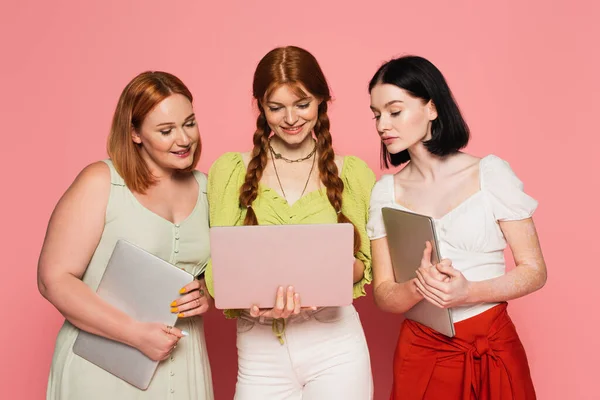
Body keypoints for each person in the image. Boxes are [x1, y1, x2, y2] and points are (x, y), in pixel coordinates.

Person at [366, 55, 547, 399]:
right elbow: (384, 294)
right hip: (422, 350)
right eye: (376, 114)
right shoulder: (385, 192)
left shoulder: (490, 174)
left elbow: (535, 270)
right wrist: (419, 287)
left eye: (394, 111)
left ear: (432, 108)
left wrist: (469, 292)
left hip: (492, 344)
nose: (381, 125)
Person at [205, 46, 375, 399]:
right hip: (259, 350)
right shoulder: (230, 170)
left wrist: (333, 272)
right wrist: (252, 299)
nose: (291, 118)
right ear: (260, 107)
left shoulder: (354, 173)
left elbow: (367, 266)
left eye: (302, 104)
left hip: (336, 346)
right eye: (275, 107)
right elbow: (217, 270)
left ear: (321, 102)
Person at [38, 71, 214, 399]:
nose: (184, 139)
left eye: (189, 123)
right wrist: (134, 334)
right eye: (166, 130)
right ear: (134, 133)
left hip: (184, 362)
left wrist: (207, 290)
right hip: (103, 365)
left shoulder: (209, 188)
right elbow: (53, 279)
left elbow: (223, 268)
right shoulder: (101, 181)